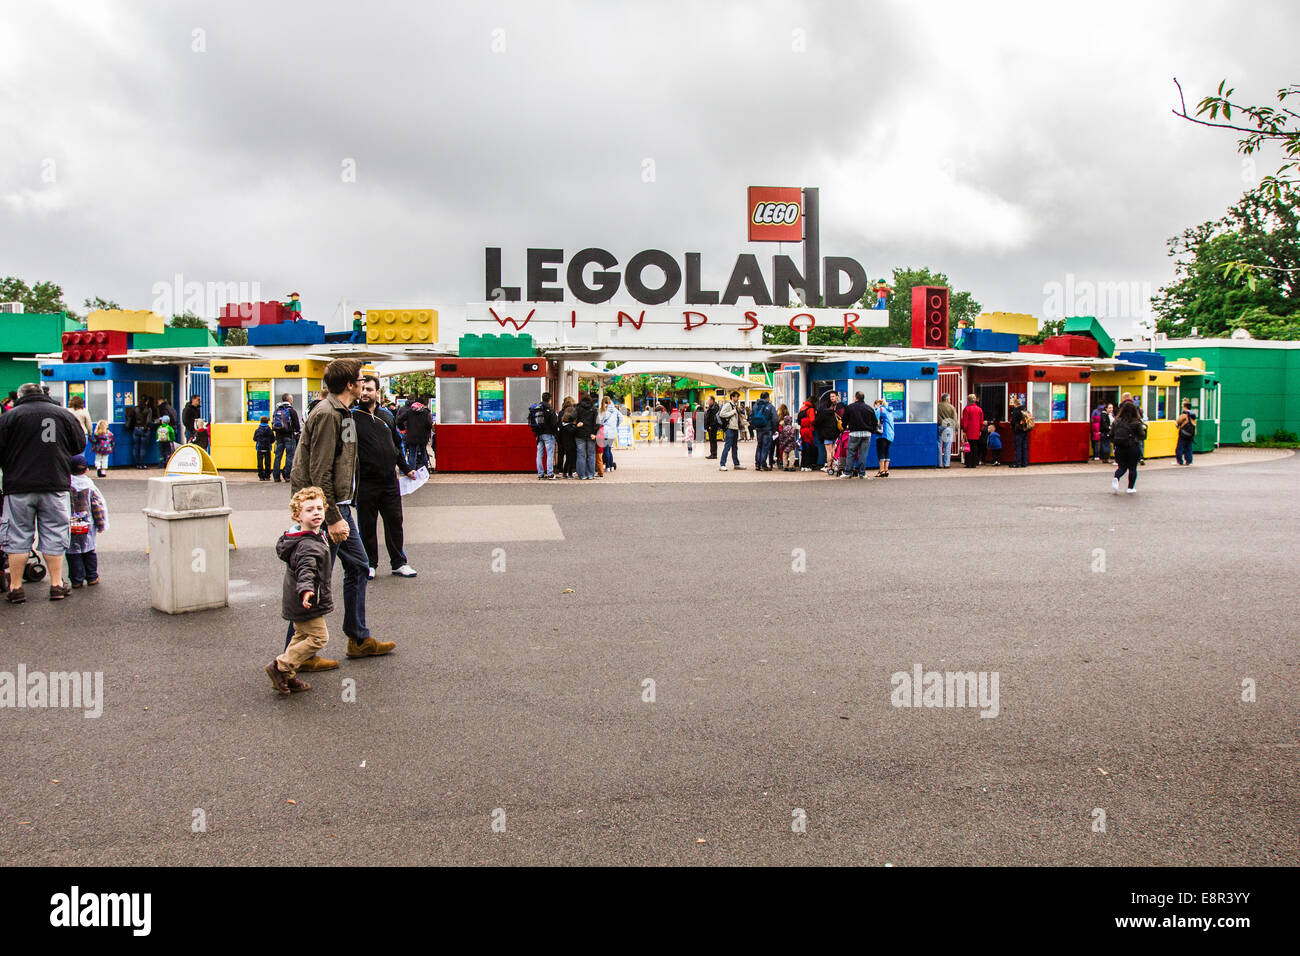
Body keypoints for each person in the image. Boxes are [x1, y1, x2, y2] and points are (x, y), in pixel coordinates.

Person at [289, 357, 395, 669]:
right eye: (361, 378)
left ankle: (358, 638)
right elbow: (319, 472)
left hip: (340, 505)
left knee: (359, 567)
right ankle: (299, 654)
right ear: (349, 384)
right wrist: (333, 517)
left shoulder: (345, 414)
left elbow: (345, 463)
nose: (365, 382)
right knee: (315, 577)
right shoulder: (327, 414)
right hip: (325, 510)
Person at [0, 383, 85, 603]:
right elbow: (78, 446)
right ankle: (56, 585)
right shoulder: (64, 415)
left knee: (17, 537)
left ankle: (16, 588)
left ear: (19, 397)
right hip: (55, 483)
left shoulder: (10, 417)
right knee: (55, 534)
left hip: (18, 486)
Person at [265, 487, 333, 696]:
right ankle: (281, 666)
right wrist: (306, 591)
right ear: (297, 516)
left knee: (301, 635)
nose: (317, 513)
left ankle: (288, 674)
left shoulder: (312, 535)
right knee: (319, 638)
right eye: (310, 510)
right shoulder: (307, 545)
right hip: (306, 600)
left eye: (319, 508)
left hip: (299, 600)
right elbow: (306, 570)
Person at [354, 375, 418, 578]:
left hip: (390, 481)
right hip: (365, 481)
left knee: (395, 522)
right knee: (367, 524)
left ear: (377, 392)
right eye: (362, 389)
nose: (365, 393)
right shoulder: (351, 417)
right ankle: (369, 564)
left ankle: (399, 562)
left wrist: (406, 468)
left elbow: (397, 445)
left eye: (369, 389)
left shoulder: (387, 416)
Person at [66, 454, 108, 588]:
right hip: (88, 523)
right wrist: (101, 524)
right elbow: (97, 506)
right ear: (86, 470)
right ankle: (92, 577)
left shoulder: (65, 485)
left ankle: (76, 580)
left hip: (70, 523)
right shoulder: (90, 486)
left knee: (73, 552)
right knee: (89, 550)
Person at [1110, 398, 1146, 494]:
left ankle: (1116, 478)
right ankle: (1130, 488)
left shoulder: (1117, 421)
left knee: (1122, 467)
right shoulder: (1137, 422)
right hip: (1133, 447)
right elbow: (1142, 436)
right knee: (1132, 468)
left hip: (1120, 447)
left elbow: (1111, 435)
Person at [841, 392, 878, 479]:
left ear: (856, 398)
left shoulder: (850, 407)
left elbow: (844, 420)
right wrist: (871, 430)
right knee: (863, 454)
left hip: (854, 433)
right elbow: (874, 422)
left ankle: (848, 472)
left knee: (851, 453)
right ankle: (862, 473)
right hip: (866, 434)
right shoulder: (869, 408)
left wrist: (844, 427)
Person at [271, 393, 301, 483]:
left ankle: (276, 476)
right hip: (289, 436)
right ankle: (287, 476)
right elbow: (297, 425)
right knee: (289, 456)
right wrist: (297, 431)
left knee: (278, 456)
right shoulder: (292, 411)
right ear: (289, 400)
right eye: (291, 399)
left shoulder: (277, 410)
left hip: (279, 436)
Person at [530, 391, 560, 479]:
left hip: (539, 435)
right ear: (550, 400)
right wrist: (555, 433)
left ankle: (540, 474)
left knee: (539, 454)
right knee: (549, 454)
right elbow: (554, 423)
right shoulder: (550, 410)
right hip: (548, 434)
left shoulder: (537, 409)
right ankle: (550, 473)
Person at [717, 390, 746, 471]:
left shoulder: (735, 406)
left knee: (735, 447)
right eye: (737, 397)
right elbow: (721, 414)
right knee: (727, 446)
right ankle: (722, 464)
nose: (738, 398)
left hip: (735, 428)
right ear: (733, 397)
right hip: (729, 428)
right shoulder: (728, 405)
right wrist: (733, 412)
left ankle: (736, 463)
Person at [402, 400, 433, 473]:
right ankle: (425, 472)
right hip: (423, 436)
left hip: (411, 435)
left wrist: (403, 428)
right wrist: (427, 431)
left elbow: (399, 420)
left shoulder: (409, 412)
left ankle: (412, 472)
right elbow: (429, 424)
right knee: (423, 453)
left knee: (412, 454)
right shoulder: (425, 412)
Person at [814, 392, 841, 473]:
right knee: (833, 451)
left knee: (828, 452)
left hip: (827, 434)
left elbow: (816, 422)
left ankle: (829, 467)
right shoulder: (834, 413)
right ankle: (834, 466)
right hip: (835, 433)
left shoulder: (823, 413)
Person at [574, 392, 598, 479]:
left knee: (581, 455)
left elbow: (571, 418)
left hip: (579, 434)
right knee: (591, 455)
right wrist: (594, 433)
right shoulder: (594, 409)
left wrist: (576, 424)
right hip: (591, 435)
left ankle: (582, 475)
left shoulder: (577, 408)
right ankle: (591, 475)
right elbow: (597, 423)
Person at [127, 395, 155, 469]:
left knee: (136, 447)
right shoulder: (148, 409)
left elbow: (129, 417)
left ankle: (137, 463)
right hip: (144, 429)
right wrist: (146, 427)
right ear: (147, 401)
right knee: (143, 447)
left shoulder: (135, 409)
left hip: (136, 429)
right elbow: (148, 420)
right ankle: (142, 463)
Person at [751, 391, 776, 471]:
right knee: (765, 447)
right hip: (767, 429)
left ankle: (757, 464)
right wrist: (774, 429)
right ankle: (763, 464)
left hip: (758, 429)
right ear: (767, 397)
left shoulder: (755, 406)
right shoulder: (770, 406)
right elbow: (775, 419)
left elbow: (751, 416)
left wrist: (754, 426)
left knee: (759, 446)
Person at [598, 396, 622, 472]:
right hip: (612, 432)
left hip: (605, 431)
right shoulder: (615, 410)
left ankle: (607, 466)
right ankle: (611, 466)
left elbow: (598, 421)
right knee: (609, 450)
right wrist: (616, 425)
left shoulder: (602, 411)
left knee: (606, 450)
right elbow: (621, 418)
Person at [961, 394, 985, 468]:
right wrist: (981, 429)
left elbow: (965, 421)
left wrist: (964, 430)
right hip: (976, 431)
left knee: (968, 447)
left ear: (968, 400)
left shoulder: (967, 409)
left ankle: (968, 463)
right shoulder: (979, 409)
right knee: (975, 447)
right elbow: (981, 421)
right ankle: (974, 462)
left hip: (969, 431)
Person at [873, 398, 895, 477]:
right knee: (886, 451)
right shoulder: (889, 410)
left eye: (874, 406)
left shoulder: (880, 409)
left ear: (877, 404)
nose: (874, 408)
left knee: (881, 452)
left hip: (883, 434)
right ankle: (886, 470)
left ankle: (881, 470)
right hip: (891, 434)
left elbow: (874, 420)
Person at [557, 396, 578, 478]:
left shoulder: (561, 414)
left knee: (562, 454)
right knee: (570, 457)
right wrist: (576, 426)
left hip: (563, 441)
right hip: (570, 443)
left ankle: (561, 469)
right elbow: (572, 431)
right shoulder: (569, 424)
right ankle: (569, 472)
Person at [937, 393, 958, 469]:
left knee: (939, 445)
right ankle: (946, 464)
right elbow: (954, 419)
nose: (950, 400)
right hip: (948, 427)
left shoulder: (937, 406)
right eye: (949, 399)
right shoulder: (951, 407)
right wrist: (956, 428)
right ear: (947, 399)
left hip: (939, 426)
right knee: (947, 446)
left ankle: (939, 464)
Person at [1008, 394, 1030, 468]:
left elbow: (1013, 422)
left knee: (1018, 447)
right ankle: (1025, 462)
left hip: (1018, 432)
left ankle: (1018, 463)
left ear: (1015, 404)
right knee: (1024, 447)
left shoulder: (1016, 411)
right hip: (1025, 431)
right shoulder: (1026, 410)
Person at [1175, 398, 1197, 465]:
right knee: (1189, 448)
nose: (1182, 408)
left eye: (1183, 407)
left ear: (1185, 407)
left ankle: (1180, 461)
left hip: (1183, 435)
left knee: (1179, 448)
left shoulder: (1184, 415)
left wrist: (1177, 425)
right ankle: (1189, 461)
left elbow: (1177, 423)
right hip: (1191, 435)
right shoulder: (1193, 416)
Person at [253, 415, 276, 480]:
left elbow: (254, 439)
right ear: (267, 422)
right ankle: (267, 476)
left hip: (259, 448)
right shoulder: (269, 430)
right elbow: (273, 439)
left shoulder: (257, 430)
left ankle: (261, 476)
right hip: (267, 448)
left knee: (260, 462)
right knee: (267, 462)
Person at [798, 398, 816, 471]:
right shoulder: (811, 409)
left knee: (804, 448)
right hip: (809, 430)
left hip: (802, 430)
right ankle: (808, 465)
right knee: (809, 448)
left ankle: (803, 465)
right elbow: (812, 420)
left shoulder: (802, 408)